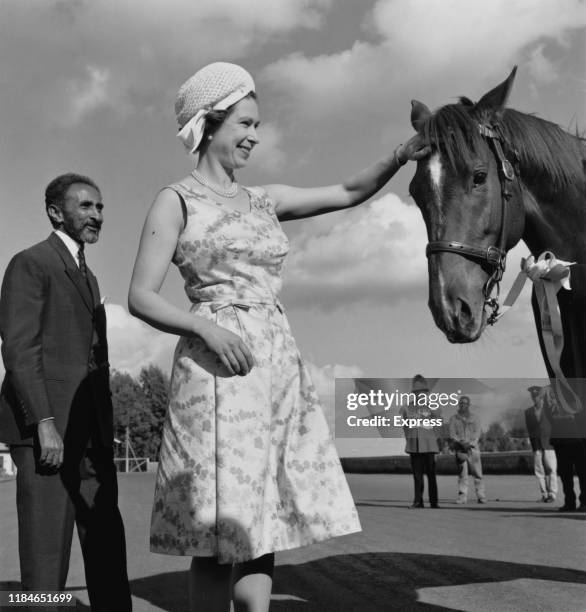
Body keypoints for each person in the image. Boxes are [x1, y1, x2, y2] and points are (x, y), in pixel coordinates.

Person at [128, 62, 429, 612]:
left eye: (257, 124)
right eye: (245, 123)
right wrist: (204, 326)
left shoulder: (266, 199)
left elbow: (346, 190)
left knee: (263, 524)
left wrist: (399, 155)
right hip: (214, 370)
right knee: (222, 528)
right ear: (210, 123)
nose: (255, 136)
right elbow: (141, 295)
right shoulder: (176, 200)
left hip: (275, 366)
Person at [0, 174, 132, 610]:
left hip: (92, 436)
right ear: (56, 212)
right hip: (47, 432)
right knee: (45, 560)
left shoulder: (89, 278)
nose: (97, 215)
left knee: (108, 549)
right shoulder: (31, 262)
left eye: (99, 207)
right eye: (86, 206)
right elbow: (20, 350)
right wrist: (44, 423)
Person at [540, 385, 586, 512]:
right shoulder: (551, 391)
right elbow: (549, 414)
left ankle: (582, 502)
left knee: (582, 473)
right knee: (566, 475)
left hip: (577, 440)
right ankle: (570, 502)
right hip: (563, 441)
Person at [400, 375, 441, 508]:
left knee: (431, 475)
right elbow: (405, 427)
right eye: (417, 392)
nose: (420, 394)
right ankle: (418, 501)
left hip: (429, 445)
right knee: (417, 476)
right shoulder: (407, 408)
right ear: (414, 394)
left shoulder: (432, 406)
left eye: (423, 392)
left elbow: (438, 423)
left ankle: (434, 502)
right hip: (414, 446)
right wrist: (409, 440)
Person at [448, 396, 486, 504]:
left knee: (478, 473)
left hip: (473, 449)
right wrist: (461, 443)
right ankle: (462, 496)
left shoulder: (475, 418)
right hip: (460, 450)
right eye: (461, 403)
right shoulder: (453, 419)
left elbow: (477, 432)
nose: (463, 405)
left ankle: (481, 495)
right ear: (458, 404)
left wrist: (470, 444)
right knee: (462, 475)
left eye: (465, 403)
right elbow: (452, 434)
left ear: (469, 405)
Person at [524, 385, 557, 502]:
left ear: (541, 396)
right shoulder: (528, 412)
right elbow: (530, 429)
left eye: (537, 396)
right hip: (537, 444)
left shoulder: (550, 410)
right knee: (539, 471)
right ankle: (544, 494)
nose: (535, 398)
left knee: (551, 469)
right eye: (533, 396)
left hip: (549, 444)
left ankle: (552, 494)